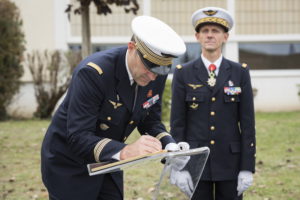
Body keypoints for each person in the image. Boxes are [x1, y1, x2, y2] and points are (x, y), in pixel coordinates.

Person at [41, 15, 188, 200]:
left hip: (109, 160)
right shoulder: (94, 73)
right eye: (149, 67)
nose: (153, 77)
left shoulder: (155, 74)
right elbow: (78, 136)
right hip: (70, 164)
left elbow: (149, 119)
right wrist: (126, 151)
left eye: (160, 70)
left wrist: (171, 146)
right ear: (131, 48)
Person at [170, 7, 256, 200]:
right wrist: (178, 166)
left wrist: (247, 167)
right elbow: (178, 124)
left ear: (225, 37)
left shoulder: (239, 72)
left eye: (215, 31)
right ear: (197, 36)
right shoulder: (183, 72)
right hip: (195, 162)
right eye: (205, 31)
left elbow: (248, 123)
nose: (210, 35)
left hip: (231, 163)